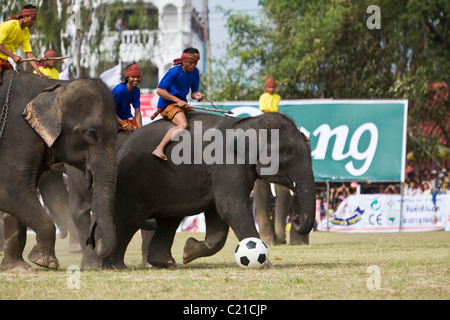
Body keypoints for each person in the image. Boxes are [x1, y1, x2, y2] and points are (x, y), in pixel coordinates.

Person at [152, 47, 204, 160]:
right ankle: (159, 148)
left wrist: (197, 96)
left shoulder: (195, 72)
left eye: (196, 62)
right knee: (183, 125)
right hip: (168, 105)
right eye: (191, 62)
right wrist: (177, 100)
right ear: (184, 61)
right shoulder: (174, 71)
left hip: (182, 104)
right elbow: (160, 90)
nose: (194, 65)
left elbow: (193, 93)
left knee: (198, 122)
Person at [0, 5, 45, 81]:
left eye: (35, 20)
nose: (33, 22)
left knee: (13, 81)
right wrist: (13, 56)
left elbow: (29, 54)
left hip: (4, 60)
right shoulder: (10, 25)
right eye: (32, 19)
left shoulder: (26, 32)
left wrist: (38, 72)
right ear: (25, 16)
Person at [112, 63, 143, 132]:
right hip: (113, 119)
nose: (136, 79)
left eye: (138, 77)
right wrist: (124, 125)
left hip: (127, 119)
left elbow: (137, 112)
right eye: (133, 77)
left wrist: (141, 130)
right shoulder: (119, 90)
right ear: (127, 78)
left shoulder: (136, 90)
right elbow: (110, 111)